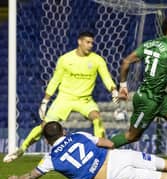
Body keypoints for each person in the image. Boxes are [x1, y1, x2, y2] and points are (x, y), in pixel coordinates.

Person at [3, 31, 120, 163]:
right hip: (65, 98)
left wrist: (114, 90)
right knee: (44, 126)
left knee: (97, 118)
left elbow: (106, 77)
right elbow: (55, 80)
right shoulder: (65, 59)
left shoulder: (97, 60)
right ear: (79, 42)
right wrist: (45, 101)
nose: (90, 45)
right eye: (87, 42)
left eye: (92, 43)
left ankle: (102, 152)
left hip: (85, 100)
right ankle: (21, 149)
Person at [8, 121, 167, 179]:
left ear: (47, 140)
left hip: (112, 176)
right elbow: (109, 143)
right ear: (64, 130)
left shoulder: (50, 159)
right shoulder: (79, 135)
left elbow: (30, 178)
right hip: (118, 156)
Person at [110, 16, 167, 157]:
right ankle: (97, 150)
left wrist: (123, 86)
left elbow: (126, 62)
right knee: (132, 136)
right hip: (148, 100)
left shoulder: (149, 43)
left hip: (160, 97)